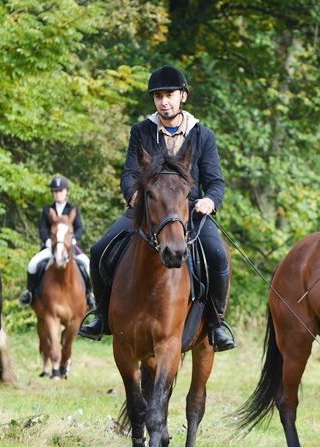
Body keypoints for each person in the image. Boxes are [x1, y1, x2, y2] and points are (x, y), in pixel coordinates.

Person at [78, 65, 236, 352]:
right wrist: (134, 194)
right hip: (148, 210)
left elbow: (215, 181)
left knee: (217, 256)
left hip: (190, 213)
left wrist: (210, 201)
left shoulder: (203, 135)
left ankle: (216, 323)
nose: (164, 101)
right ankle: (101, 316)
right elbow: (129, 173)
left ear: (183, 96)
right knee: (100, 249)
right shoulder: (141, 131)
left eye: (169, 95)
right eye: (158, 96)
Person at [19, 175, 94, 308]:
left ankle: (89, 294)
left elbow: (80, 227)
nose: (58, 194)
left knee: (87, 265)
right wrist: (47, 241)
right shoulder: (47, 210)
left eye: (60, 191)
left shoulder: (73, 209)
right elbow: (42, 228)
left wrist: (74, 239)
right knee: (32, 264)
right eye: (55, 191)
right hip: (51, 246)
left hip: (70, 246)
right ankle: (29, 293)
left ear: (66, 192)